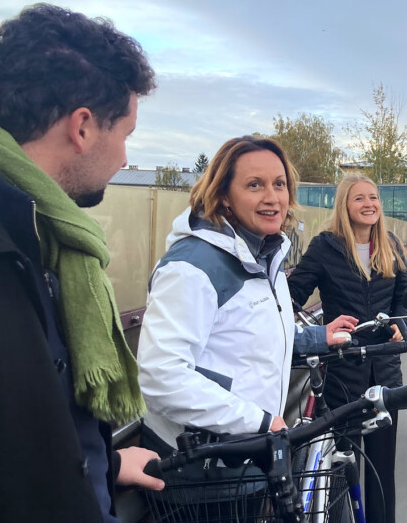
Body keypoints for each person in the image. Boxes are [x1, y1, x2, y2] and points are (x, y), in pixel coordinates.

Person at [0, 5, 340, 523]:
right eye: (125, 132)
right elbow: (160, 374)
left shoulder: (31, 232)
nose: (128, 156)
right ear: (82, 126)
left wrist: (104, 463)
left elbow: (15, 419)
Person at [137, 135, 357, 452]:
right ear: (225, 195)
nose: (272, 197)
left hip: (247, 454)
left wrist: (318, 337)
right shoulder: (191, 268)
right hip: (205, 468)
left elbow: (248, 335)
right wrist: (259, 422)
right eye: (255, 185)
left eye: (279, 185)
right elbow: (161, 377)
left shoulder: (264, 255)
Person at [287, 173, 407, 523]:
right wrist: (318, 331)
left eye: (374, 197)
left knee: (382, 458)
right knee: (342, 459)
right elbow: (292, 294)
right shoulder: (326, 247)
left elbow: (405, 295)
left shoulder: (389, 245)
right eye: (360, 198)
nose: (369, 204)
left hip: (384, 371)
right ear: (345, 205)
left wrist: (401, 322)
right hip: (342, 368)